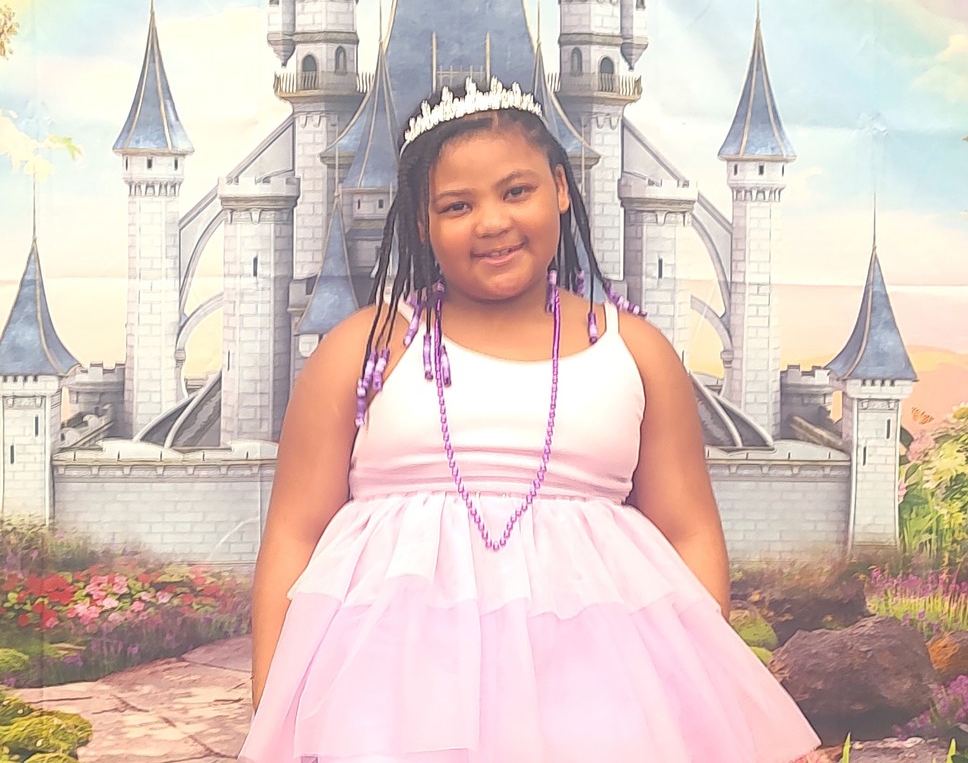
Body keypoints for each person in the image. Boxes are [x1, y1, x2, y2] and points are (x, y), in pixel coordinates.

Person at [239, 78, 821, 763]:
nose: (491, 222)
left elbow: (687, 528)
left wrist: (688, 677)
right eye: (457, 204)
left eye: (517, 191)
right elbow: (294, 532)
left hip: (594, 678)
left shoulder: (632, 352)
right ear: (423, 223)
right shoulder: (364, 348)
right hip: (396, 678)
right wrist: (272, 703)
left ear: (561, 189)